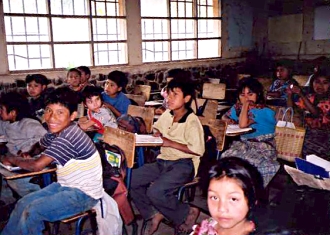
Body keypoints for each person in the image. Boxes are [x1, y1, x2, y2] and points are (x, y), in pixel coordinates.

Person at [0, 87, 103, 235]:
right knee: (22, 203)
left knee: (33, 212)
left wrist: (12, 158)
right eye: (48, 110)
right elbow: (41, 144)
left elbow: (36, 166)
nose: (51, 118)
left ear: (73, 115)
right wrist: (29, 152)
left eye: (60, 112)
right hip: (65, 186)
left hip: (83, 195)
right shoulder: (58, 130)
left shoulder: (69, 136)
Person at [130, 77, 205, 235]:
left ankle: (186, 212)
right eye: (168, 94)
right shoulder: (168, 115)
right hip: (162, 161)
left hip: (184, 164)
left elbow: (198, 150)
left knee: (155, 192)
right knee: (129, 180)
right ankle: (153, 213)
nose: (169, 99)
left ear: (186, 98)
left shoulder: (192, 121)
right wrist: (156, 133)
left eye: (175, 95)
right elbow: (158, 129)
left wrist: (170, 143)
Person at [221, 77, 279, 187]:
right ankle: (230, 188)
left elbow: (243, 124)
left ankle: (250, 192)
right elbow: (224, 116)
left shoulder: (263, 110)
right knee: (226, 158)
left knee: (248, 165)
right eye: (242, 95)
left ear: (258, 95)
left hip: (263, 147)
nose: (246, 98)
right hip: (244, 144)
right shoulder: (237, 108)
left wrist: (246, 105)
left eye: (250, 94)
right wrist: (228, 120)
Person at [191, 157, 262, 235]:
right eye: (214, 197)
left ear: (252, 201)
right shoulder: (209, 225)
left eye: (233, 199)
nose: (221, 209)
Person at [0, 91, 47, 202]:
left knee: (19, 183)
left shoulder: (29, 124)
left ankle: (33, 200)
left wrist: (28, 151)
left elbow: (44, 140)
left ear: (13, 113)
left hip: (30, 162)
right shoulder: (5, 123)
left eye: (1, 109)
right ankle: (8, 202)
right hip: (13, 161)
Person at [287, 71, 330, 160]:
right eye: (317, 82)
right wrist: (289, 95)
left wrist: (301, 94)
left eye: (325, 83)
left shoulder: (327, 100)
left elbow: (316, 113)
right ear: (312, 83)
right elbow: (291, 110)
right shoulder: (310, 97)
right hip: (307, 133)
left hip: (324, 136)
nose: (320, 85)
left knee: (300, 145)